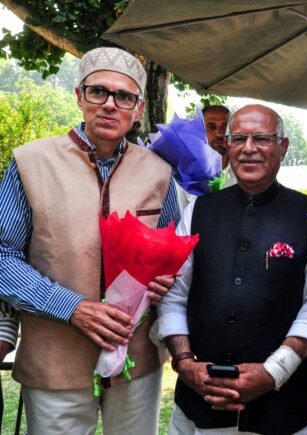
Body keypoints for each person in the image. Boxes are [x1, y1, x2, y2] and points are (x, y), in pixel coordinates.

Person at [0, 46, 179, 434]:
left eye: (124, 96)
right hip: (55, 359)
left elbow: (171, 254)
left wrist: (166, 280)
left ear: (139, 107)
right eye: (98, 92)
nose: (110, 105)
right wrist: (71, 306)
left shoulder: (160, 173)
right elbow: (2, 254)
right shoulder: (32, 162)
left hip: (137, 361)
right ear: (79, 96)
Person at [157, 104, 307, 435]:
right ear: (227, 145)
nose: (249, 148)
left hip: (285, 412)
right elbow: (173, 294)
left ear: (282, 146)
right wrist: (185, 365)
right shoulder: (199, 211)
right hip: (200, 406)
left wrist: (272, 373)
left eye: (262, 138)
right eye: (238, 138)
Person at [176, 104, 236, 211]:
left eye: (224, 127)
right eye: (211, 127)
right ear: (200, 131)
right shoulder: (185, 174)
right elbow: (182, 217)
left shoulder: (242, 172)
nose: (219, 133)